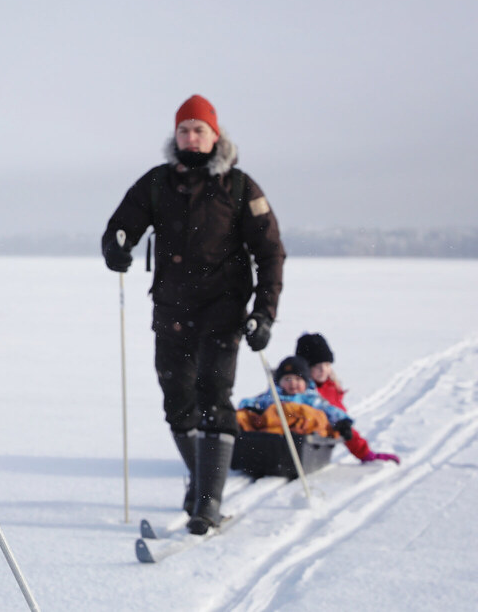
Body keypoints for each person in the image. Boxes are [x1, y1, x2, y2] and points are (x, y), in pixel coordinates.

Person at [101, 94, 285, 535]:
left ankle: (207, 503)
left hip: (223, 312)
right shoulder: (157, 183)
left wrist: (264, 314)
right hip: (170, 310)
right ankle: (201, 481)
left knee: (213, 398)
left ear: (215, 136)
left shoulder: (239, 187)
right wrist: (115, 247)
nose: (191, 137)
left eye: (199, 130)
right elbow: (121, 226)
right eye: (184, 129)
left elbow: (271, 254)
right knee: (177, 402)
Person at [295, 332, 400, 464]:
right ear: (305, 368)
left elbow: (342, 422)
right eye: (317, 366)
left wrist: (365, 454)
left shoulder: (330, 389)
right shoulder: (298, 389)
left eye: (327, 365)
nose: (323, 370)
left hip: (313, 445)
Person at [237, 355, 354, 438]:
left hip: (300, 433)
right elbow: (251, 402)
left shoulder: (309, 398)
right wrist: (251, 408)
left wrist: (343, 421)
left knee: (316, 415)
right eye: (287, 379)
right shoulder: (272, 397)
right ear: (279, 382)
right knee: (241, 415)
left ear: (306, 383)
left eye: (298, 379)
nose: (293, 383)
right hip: (270, 432)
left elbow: (328, 409)